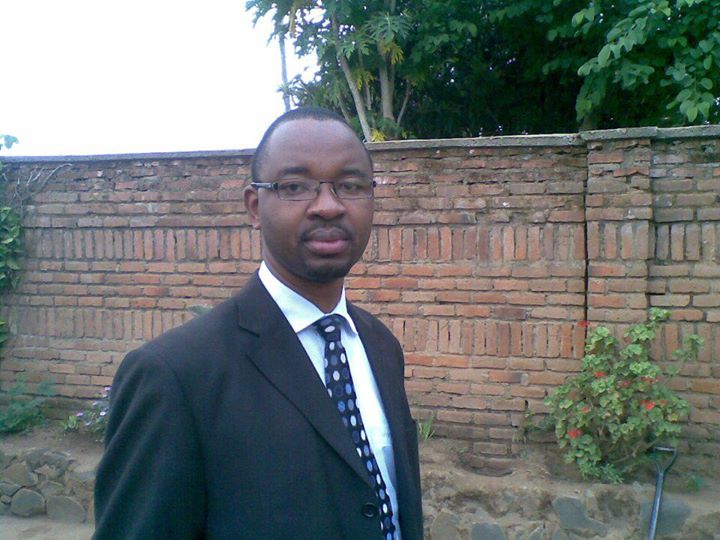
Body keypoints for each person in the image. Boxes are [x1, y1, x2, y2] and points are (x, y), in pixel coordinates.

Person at [93, 107, 423, 540]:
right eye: (294, 186)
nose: (328, 206)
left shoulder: (381, 346)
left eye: (351, 185)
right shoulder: (175, 375)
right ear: (254, 206)